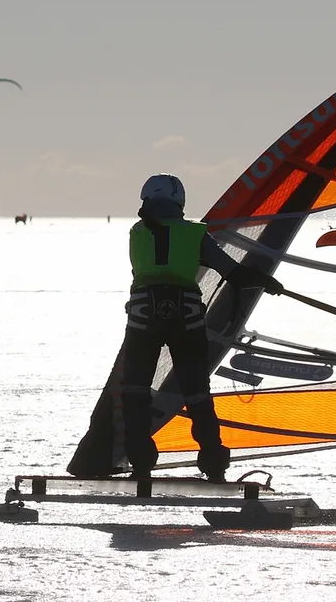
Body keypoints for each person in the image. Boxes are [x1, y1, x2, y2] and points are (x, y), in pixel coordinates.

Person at [121, 174, 282, 482]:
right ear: (180, 202)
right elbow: (234, 274)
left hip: (144, 317)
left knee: (135, 392)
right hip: (186, 316)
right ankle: (214, 465)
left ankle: (140, 464)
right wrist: (266, 281)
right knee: (196, 393)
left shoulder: (137, 232)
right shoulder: (194, 235)